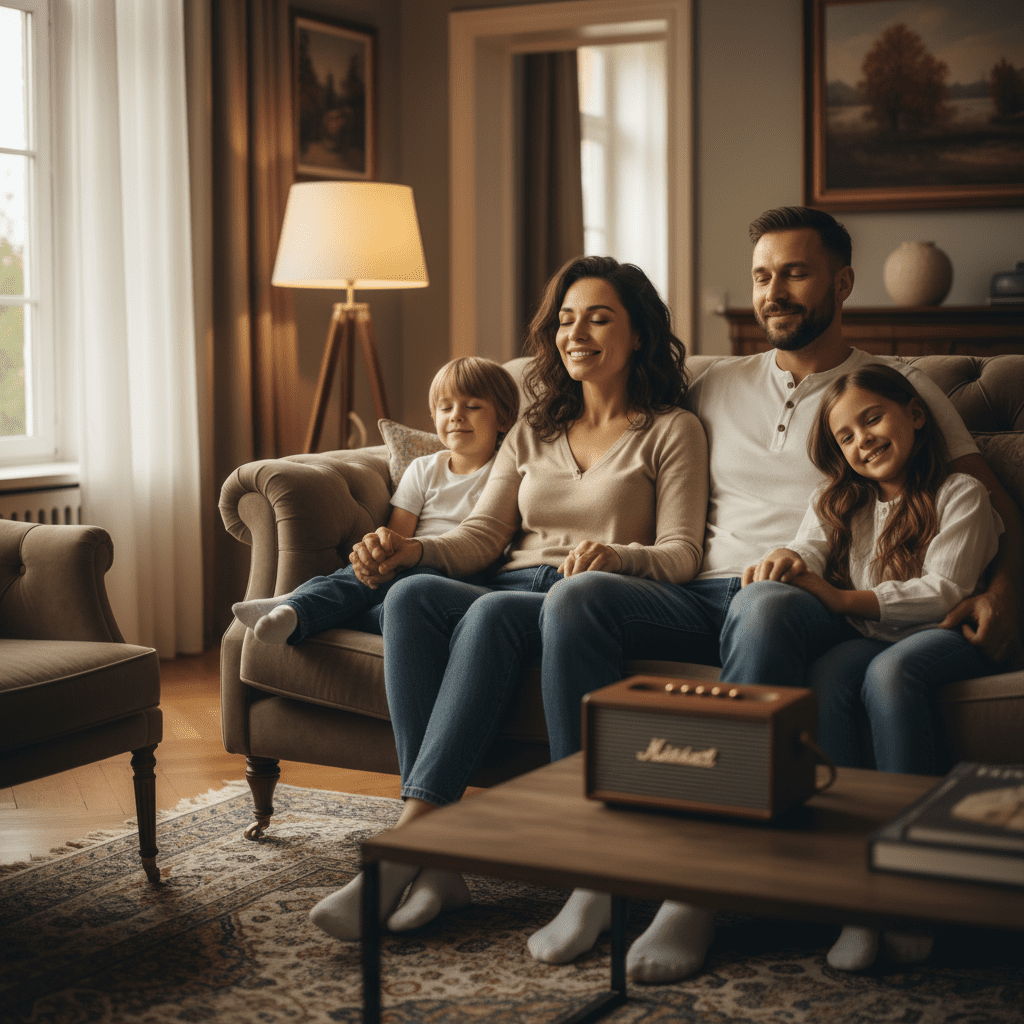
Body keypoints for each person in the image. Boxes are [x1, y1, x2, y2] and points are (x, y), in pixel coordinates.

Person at [526, 206, 1023, 983]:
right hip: (695, 587)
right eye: (762, 275)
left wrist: (1003, 590)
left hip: (800, 597)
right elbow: (598, 380)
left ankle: (698, 888)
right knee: (575, 598)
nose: (774, 290)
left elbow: (985, 495)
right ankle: (597, 869)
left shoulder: (898, 388)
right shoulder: (710, 380)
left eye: (794, 272)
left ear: (842, 282)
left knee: (763, 605)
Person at [307, 255, 708, 945]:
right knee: (409, 598)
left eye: (599, 317)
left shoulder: (671, 429)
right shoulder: (535, 430)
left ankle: (409, 852)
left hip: (596, 597)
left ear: (638, 333)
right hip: (512, 582)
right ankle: (432, 856)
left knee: (489, 610)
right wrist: (412, 552)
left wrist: (617, 557)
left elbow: (682, 554)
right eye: (565, 320)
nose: (577, 332)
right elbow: (483, 539)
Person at [744, 363, 1002, 971]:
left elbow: (945, 592)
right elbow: (810, 547)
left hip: (946, 634)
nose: (863, 441)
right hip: (873, 633)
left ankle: (917, 883)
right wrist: (787, 557)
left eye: (873, 418)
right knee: (832, 676)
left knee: (889, 676)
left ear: (914, 413)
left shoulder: (959, 493)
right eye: (846, 436)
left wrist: (839, 600)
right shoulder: (841, 499)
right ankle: (858, 890)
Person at [231, 357, 521, 643]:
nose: (456, 415)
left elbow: (493, 544)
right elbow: (397, 534)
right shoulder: (424, 469)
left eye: (472, 406)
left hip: (468, 575)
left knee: (398, 595)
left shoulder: (506, 474)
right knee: (368, 573)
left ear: (504, 418)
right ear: (434, 417)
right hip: (411, 559)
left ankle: (302, 605)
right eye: (446, 407)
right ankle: (296, 607)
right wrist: (377, 559)